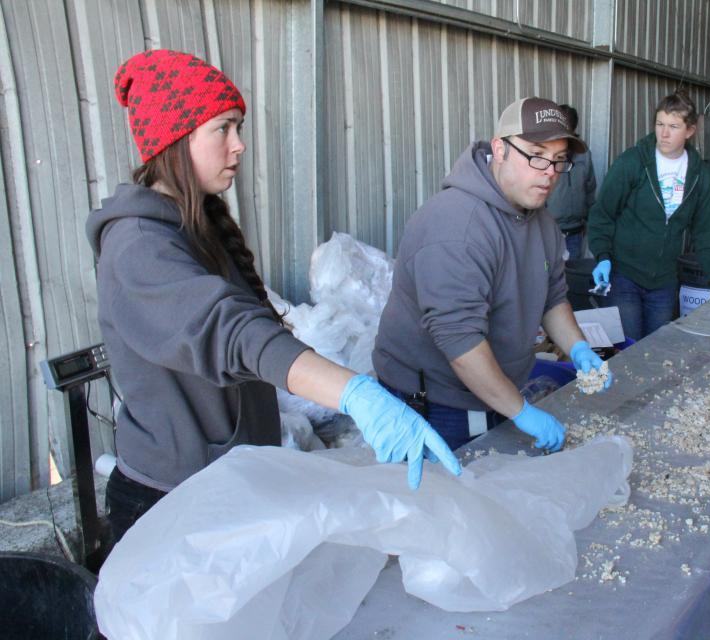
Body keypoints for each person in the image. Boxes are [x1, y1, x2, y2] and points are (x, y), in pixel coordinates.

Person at [90, 49, 460, 544]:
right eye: (223, 128)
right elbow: (232, 332)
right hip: (171, 501)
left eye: (238, 128)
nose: (239, 145)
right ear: (176, 139)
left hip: (227, 480)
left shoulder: (197, 226)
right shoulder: (139, 245)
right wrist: (355, 392)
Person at [372, 97, 612, 451]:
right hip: (435, 402)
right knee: (445, 500)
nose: (549, 171)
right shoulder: (458, 225)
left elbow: (553, 296)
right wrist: (521, 411)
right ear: (500, 149)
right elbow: (460, 341)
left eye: (559, 160)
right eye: (536, 154)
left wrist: (577, 347)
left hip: (496, 391)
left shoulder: (541, 221)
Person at [587, 91, 710, 340]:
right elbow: (602, 213)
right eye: (660, 124)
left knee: (656, 348)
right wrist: (602, 255)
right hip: (625, 275)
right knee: (628, 348)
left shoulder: (699, 175)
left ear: (690, 131)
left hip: (665, 281)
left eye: (673, 126)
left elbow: (707, 231)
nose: (664, 134)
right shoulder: (633, 163)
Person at [545, 104, 596, 260]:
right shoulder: (545, 155)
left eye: (569, 127)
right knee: (548, 277)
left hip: (576, 233)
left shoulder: (583, 154)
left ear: (574, 129)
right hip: (550, 232)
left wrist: (592, 224)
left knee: (572, 278)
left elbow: (590, 189)